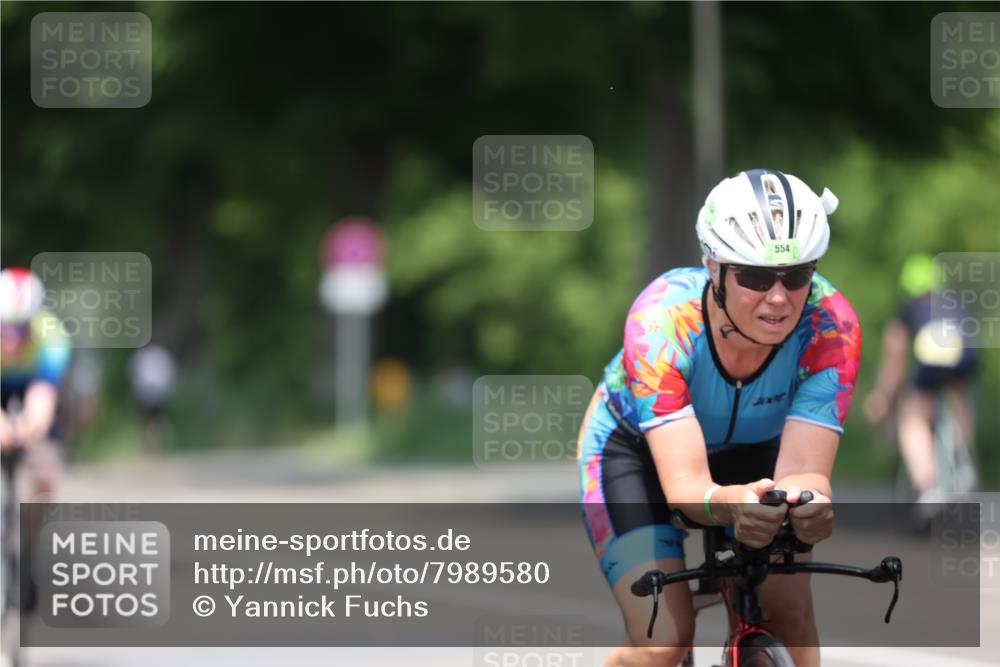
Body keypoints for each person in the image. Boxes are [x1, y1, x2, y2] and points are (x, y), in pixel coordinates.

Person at [577, 169, 859, 667]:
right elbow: (687, 486)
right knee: (663, 640)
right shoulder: (662, 322)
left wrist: (812, 505)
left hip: (756, 454)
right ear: (713, 267)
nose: (778, 297)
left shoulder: (831, 326)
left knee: (789, 613)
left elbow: (805, 473)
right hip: (634, 453)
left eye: (797, 276)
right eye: (754, 278)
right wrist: (732, 507)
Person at [863, 254, 978, 502]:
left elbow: (895, 359)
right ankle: (964, 460)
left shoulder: (910, 308)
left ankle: (927, 486)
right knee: (960, 395)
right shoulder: (955, 303)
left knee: (912, 414)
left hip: (933, 353)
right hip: (966, 350)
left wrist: (883, 396)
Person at [0, 267, 72, 498]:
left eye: (20, 330)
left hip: (33, 384)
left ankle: (34, 516)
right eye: (3, 328)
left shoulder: (52, 336)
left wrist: (26, 430)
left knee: (44, 470)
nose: (11, 339)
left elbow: (42, 398)